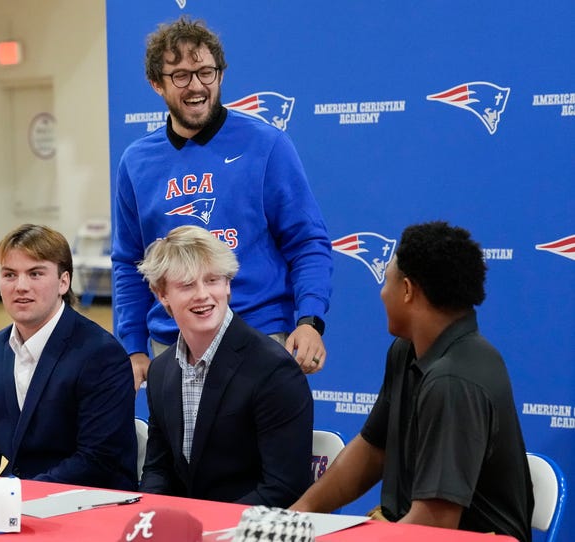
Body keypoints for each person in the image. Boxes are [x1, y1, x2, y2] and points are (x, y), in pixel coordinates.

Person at [112, 15, 333, 390]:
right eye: (180, 75)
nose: (196, 85)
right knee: (180, 451)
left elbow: (307, 242)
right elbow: (130, 263)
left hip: (258, 337)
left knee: (262, 450)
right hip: (171, 345)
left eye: (205, 72)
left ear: (221, 75)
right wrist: (133, 346)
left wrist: (309, 320)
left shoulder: (267, 145)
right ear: (156, 84)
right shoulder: (136, 162)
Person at [290, 221, 533, 542]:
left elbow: (435, 524)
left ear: (407, 290)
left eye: (386, 280)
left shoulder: (454, 380)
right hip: (408, 525)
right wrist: (298, 514)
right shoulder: (407, 350)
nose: (381, 292)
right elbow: (373, 450)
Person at [136, 225, 313, 506]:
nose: (203, 295)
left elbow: (285, 487)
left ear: (228, 285)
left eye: (212, 280)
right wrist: (151, 514)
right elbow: (158, 469)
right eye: (186, 285)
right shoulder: (160, 371)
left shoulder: (274, 370)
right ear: (162, 295)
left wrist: (207, 527)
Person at [0, 224, 138, 490]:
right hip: (18, 502)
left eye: (35, 273)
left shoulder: (101, 354)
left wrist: (17, 494)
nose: (21, 286)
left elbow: (96, 460)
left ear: (64, 281)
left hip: (87, 505)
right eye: (9, 275)